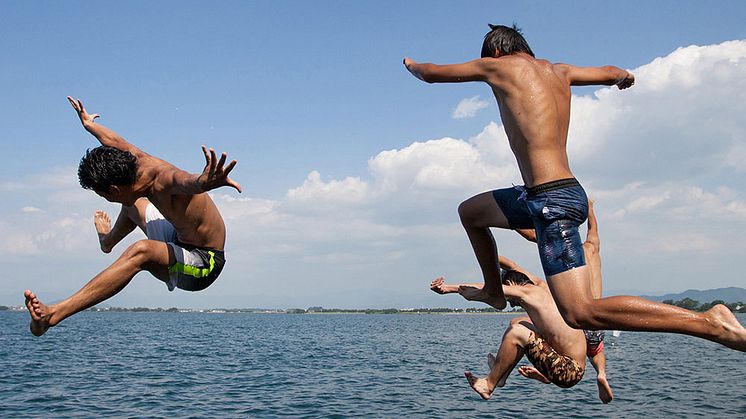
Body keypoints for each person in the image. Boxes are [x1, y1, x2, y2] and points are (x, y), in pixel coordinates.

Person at [405, 24, 746, 351]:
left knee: (580, 312)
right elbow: (612, 71)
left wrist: (410, 64)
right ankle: (494, 292)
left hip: (550, 200)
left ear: (496, 50)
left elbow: (432, 72)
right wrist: (624, 77)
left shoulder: (498, 67)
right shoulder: (560, 71)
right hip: (549, 195)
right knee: (471, 212)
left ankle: (708, 322)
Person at [23, 97, 241, 336]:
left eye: (102, 195)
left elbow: (184, 180)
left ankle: (53, 315)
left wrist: (203, 182)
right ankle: (107, 242)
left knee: (142, 250)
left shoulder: (162, 181)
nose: (104, 200)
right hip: (178, 237)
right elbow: (116, 142)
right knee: (132, 205)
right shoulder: (135, 163)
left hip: (204, 263)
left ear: (114, 190)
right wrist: (90, 125)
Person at [509, 200, 613, 403]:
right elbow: (594, 232)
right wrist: (590, 209)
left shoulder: (568, 251)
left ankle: (545, 375)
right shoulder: (592, 250)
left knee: (536, 333)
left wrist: (513, 223)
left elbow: (533, 236)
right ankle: (601, 373)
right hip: (594, 318)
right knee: (597, 346)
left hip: (574, 314)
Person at [431, 269, 586, 400]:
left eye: (510, 297)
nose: (511, 303)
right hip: (567, 366)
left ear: (510, 284)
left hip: (570, 370)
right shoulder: (541, 290)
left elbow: (490, 289)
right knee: (517, 323)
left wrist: (448, 288)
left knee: (516, 332)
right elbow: (511, 267)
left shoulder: (529, 291)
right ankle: (501, 377)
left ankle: (488, 385)